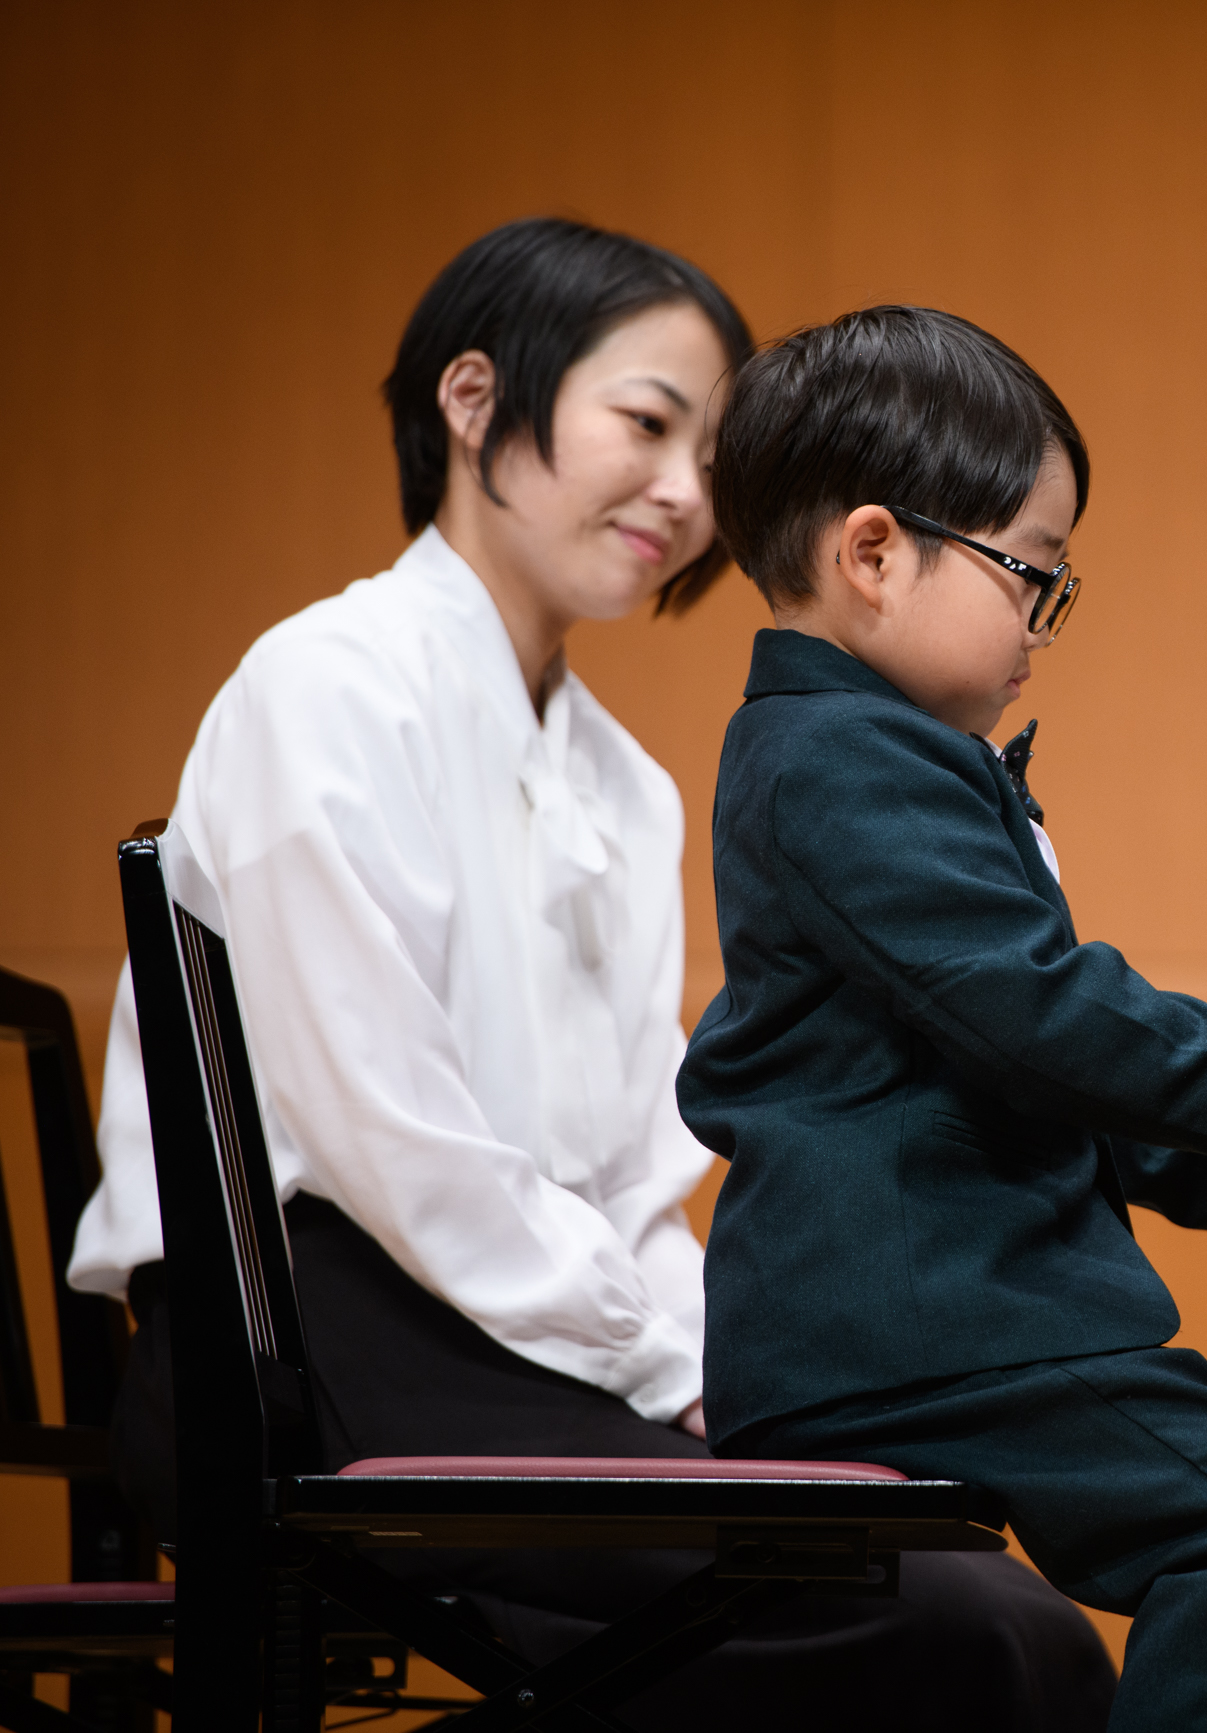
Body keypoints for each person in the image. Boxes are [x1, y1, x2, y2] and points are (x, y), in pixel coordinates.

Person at [67, 219, 1117, 1731]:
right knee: (958, 1635)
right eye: (647, 423)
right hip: (307, 1352)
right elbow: (389, 1140)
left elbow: (644, 1168)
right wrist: (650, 1356)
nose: (691, 491)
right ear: (476, 399)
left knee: (997, 1613)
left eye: (715, 450)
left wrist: (712, 1372)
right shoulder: (323, 685)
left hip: (533, 1346)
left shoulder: (629, 786)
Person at [681, 304, 1207, 1733]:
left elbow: (1016, 1068)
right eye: (1035, 574)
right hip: (910, 1330)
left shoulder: (861, 750)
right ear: (877, 553)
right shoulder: (841, 759)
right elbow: (1040, 1017)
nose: (1044, 622)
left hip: (926, 1323)